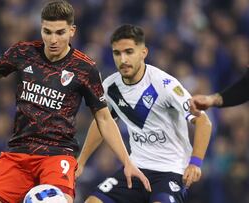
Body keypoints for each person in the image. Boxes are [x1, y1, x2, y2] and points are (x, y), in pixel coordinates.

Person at [0, 1, 150, 203]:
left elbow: (104, 119)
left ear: (72, 31)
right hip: (18, 154)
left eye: (60, 32)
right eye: (47, 31)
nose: (53, 39)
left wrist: (127, 162)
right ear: (41, 29)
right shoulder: (23, 53)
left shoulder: (85, 68)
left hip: (57, 155)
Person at [76, 24, 213, 203]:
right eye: (117, 53)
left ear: (143, 52)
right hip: (136, 168)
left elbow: (204, 121)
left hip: (172, 170)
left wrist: (195, 163)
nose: (123, 59)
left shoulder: (165, 85)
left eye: (129, 52)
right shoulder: (110, 87)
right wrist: (82, 160)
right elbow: (102, 121)